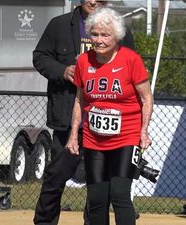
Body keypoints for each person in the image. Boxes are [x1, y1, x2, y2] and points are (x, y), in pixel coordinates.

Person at [32, 1, 134, 225]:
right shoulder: (59, 25)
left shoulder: (119, 28)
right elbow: (40, 57)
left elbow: (132, 68)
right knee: (55, 178)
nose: (95, 1)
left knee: (99, 184)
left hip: (105, 124)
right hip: (67, 119)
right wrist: (62, 70)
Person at [65, 7, 153, 225]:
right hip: (95, 140)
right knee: (96, 197)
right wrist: (74, 134)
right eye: (94, 34)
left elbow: (147, 99)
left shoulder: (130, 60)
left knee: (119, 194)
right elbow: (79, 100)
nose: (99, 40)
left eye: (105, 35)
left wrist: (143, 131)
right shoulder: (84, 62)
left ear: (117, 37)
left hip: (127, 137)